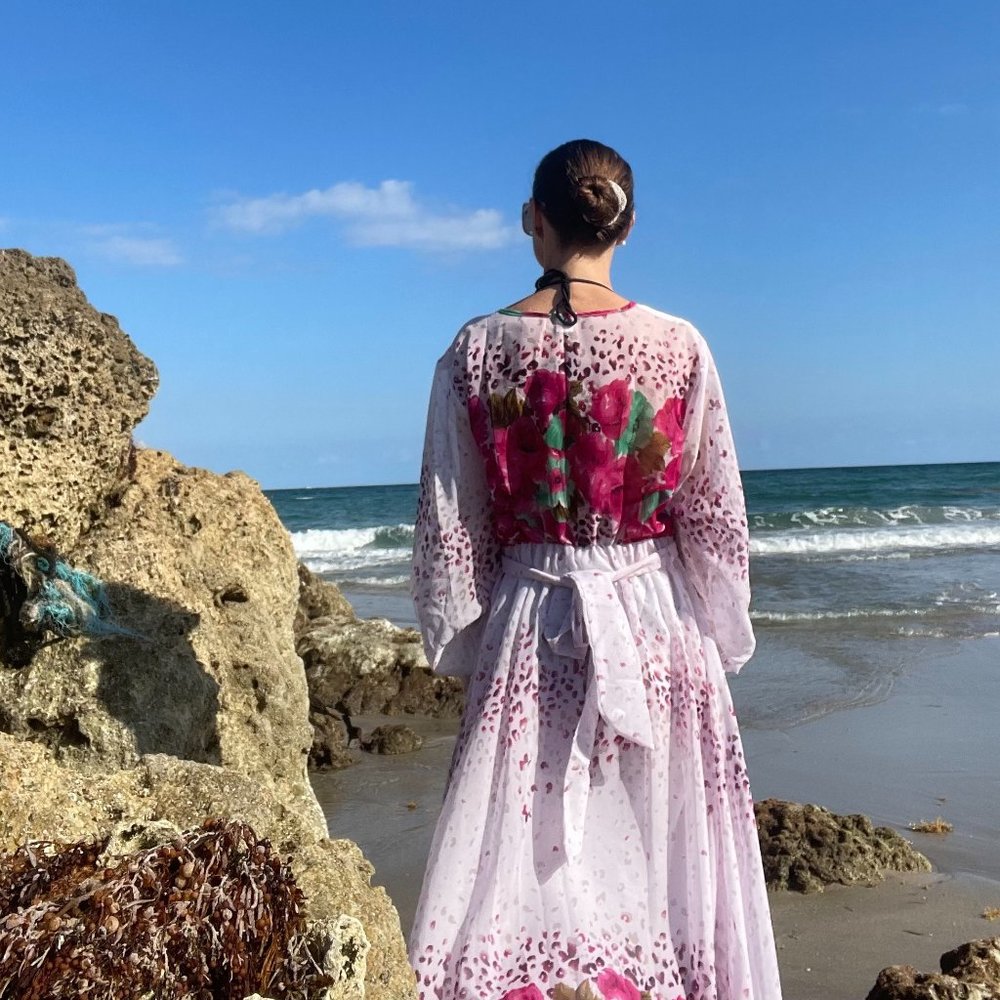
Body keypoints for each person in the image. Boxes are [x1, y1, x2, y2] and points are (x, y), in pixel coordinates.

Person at [409, 139, 782, 1000]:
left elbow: (451, 519)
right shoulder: (679, 344)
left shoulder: (475, 348)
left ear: (532, 220)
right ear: (629, 224)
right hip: (655, 617)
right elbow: (715, 512)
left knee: (528, 846)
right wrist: (722, 629)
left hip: (530, 621)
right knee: (665, 849)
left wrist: (465, 631)